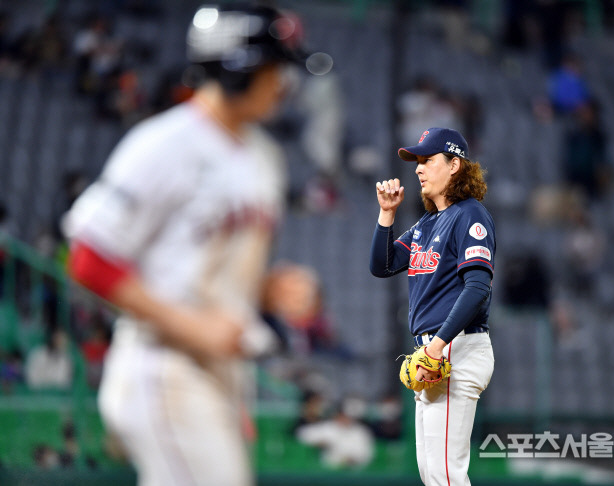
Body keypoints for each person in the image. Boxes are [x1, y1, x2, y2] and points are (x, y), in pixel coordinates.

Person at [63, 4, 318, 485]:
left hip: (217, 372)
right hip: (163, 363)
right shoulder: (164, 143)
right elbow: (90, 258)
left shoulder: (264, 156)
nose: (283, 83)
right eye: (274, 69)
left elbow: (198, 264)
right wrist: (192, 327)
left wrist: (265, 289)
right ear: (239, 70)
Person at [369, 127, 495, 486]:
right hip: (436, 350)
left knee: (445, 475)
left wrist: (437, 347)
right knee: (433, 474)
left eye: (427, 160)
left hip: (455, 348)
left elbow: (477, 287)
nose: (419, 168)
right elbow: (384, 265)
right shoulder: (429, 222)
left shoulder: (470, 215)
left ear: (454, 165)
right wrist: (387, 214)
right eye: (417, 161)